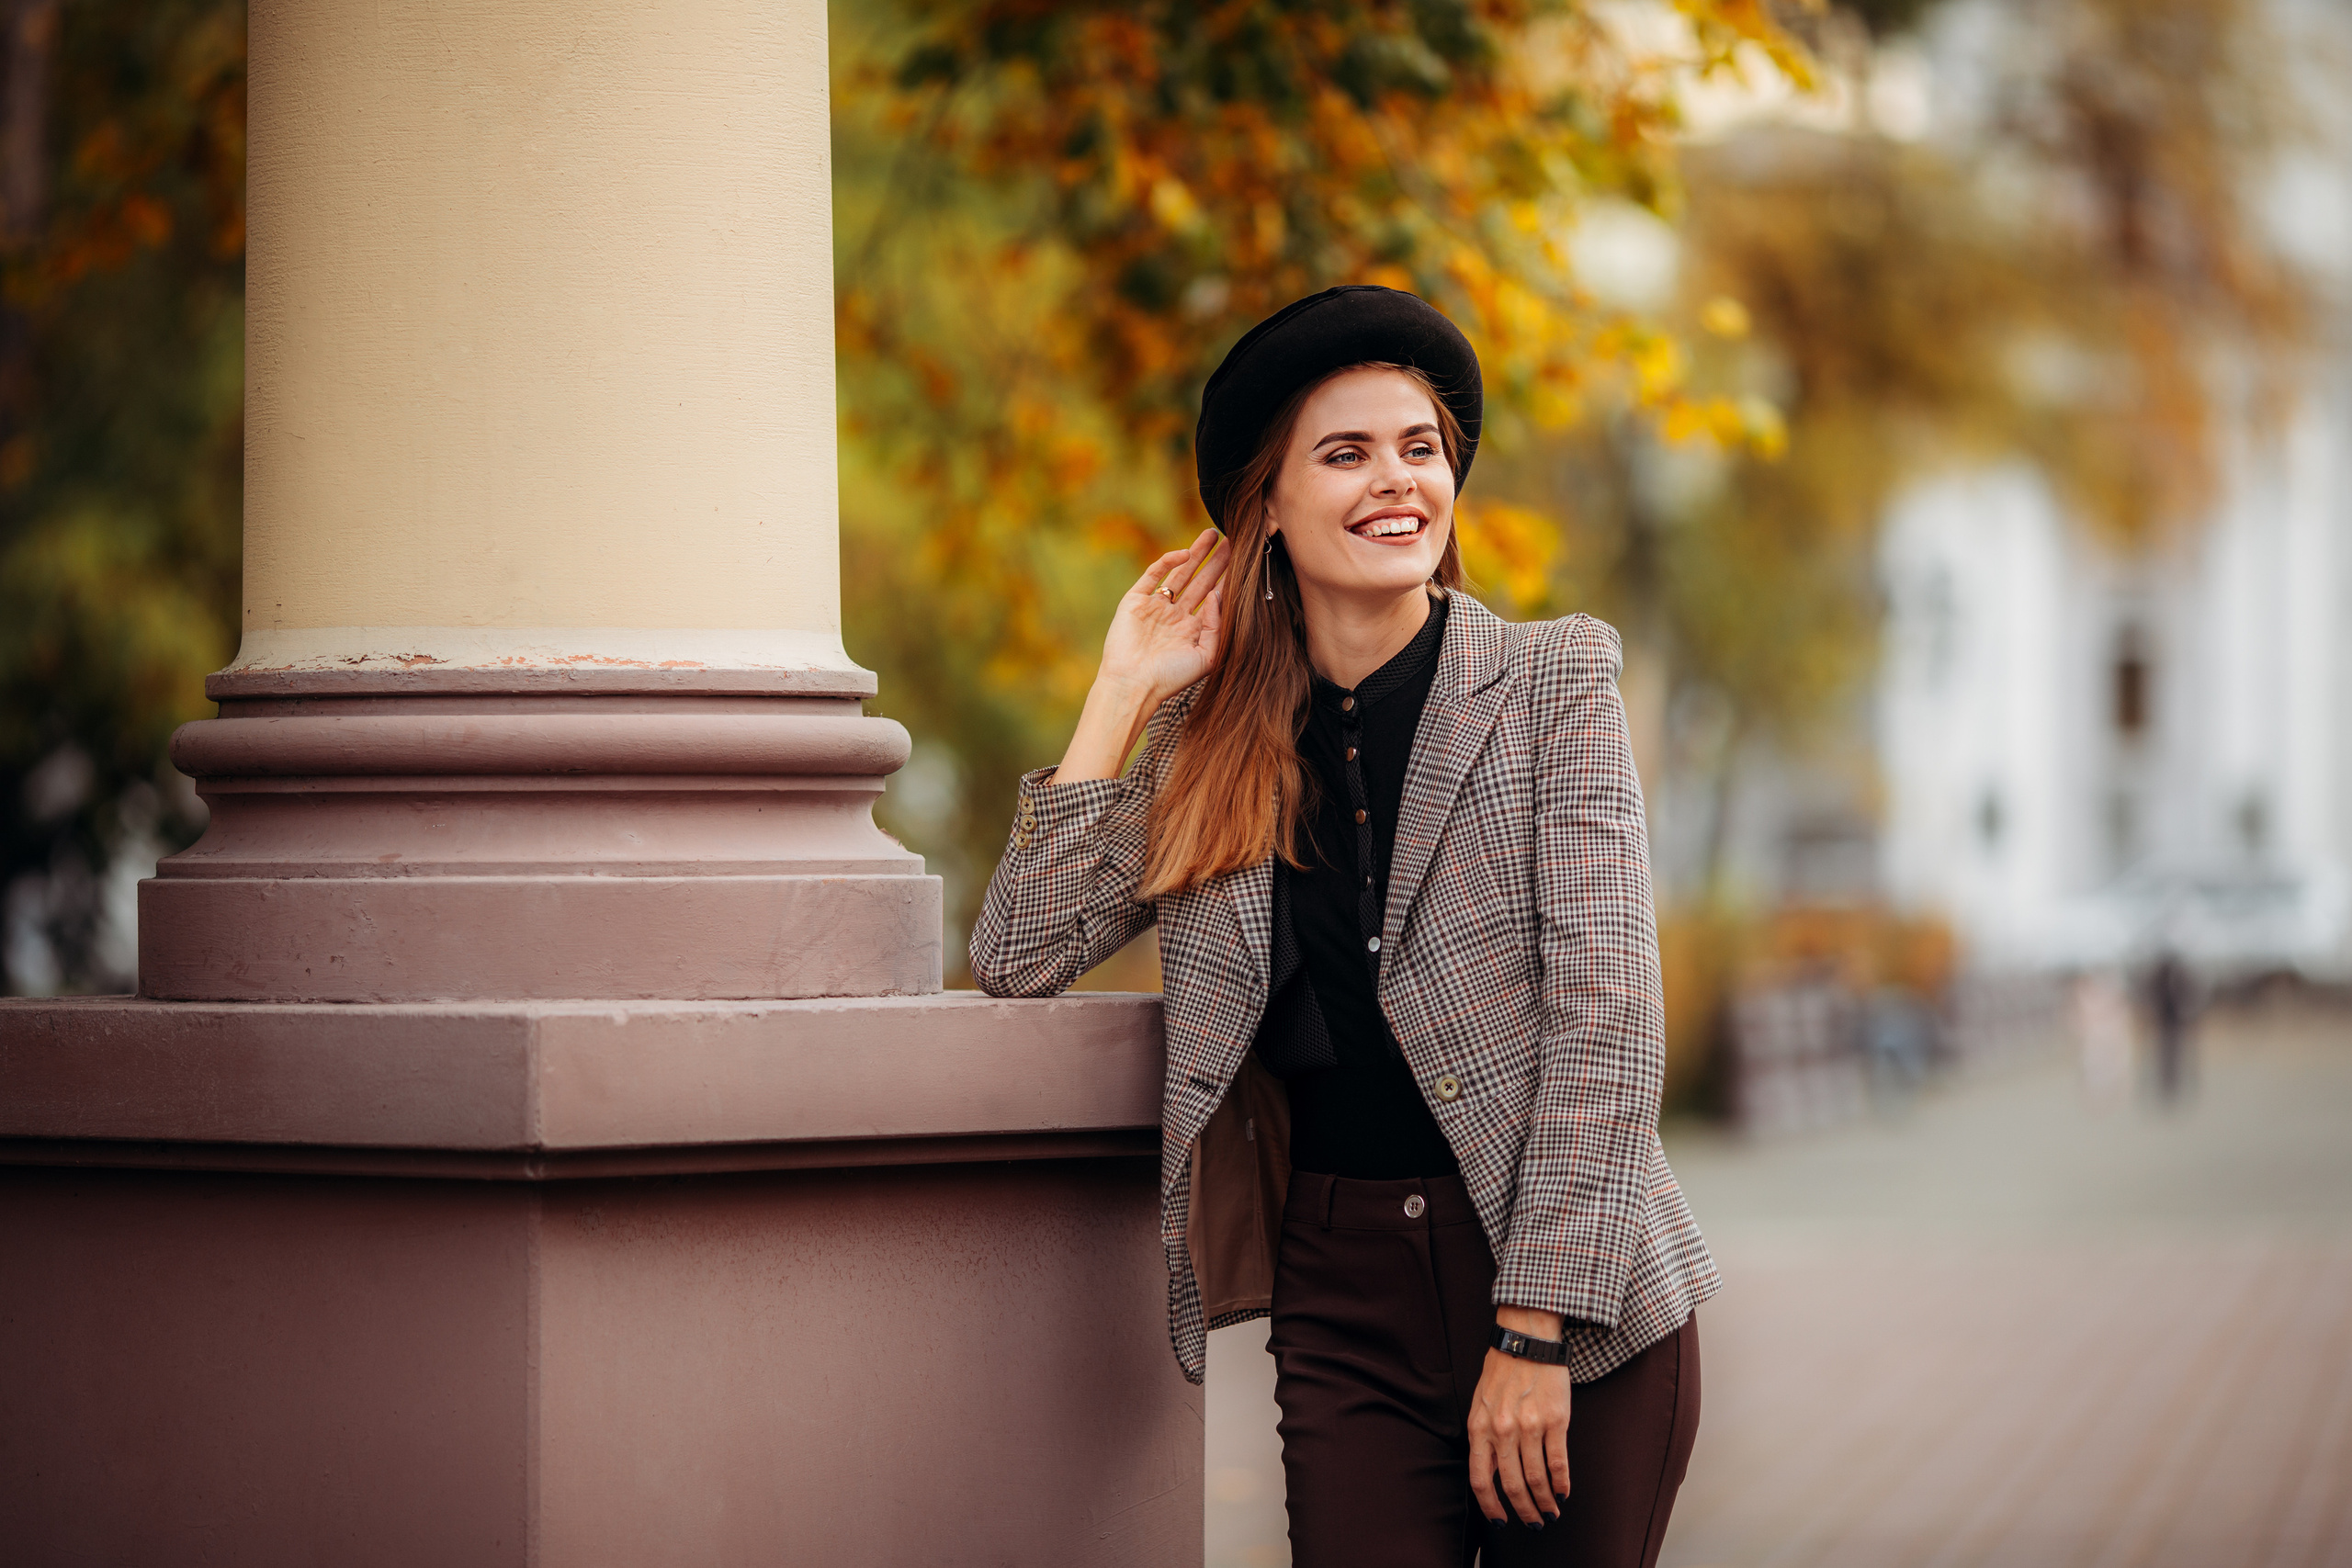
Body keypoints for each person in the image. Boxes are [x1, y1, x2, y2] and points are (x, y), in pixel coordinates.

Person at [971, 286, 1718, 1568]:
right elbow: (1017, 953)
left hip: (1574, 1292)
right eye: (1347, 452)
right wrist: (1120, 690)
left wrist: (1532, 1333)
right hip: (1344, 1302)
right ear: (1266, 506)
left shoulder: (1553, 687)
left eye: (1420, 447)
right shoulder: (1206, 750)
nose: (1398, 481)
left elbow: (1609, 1028)